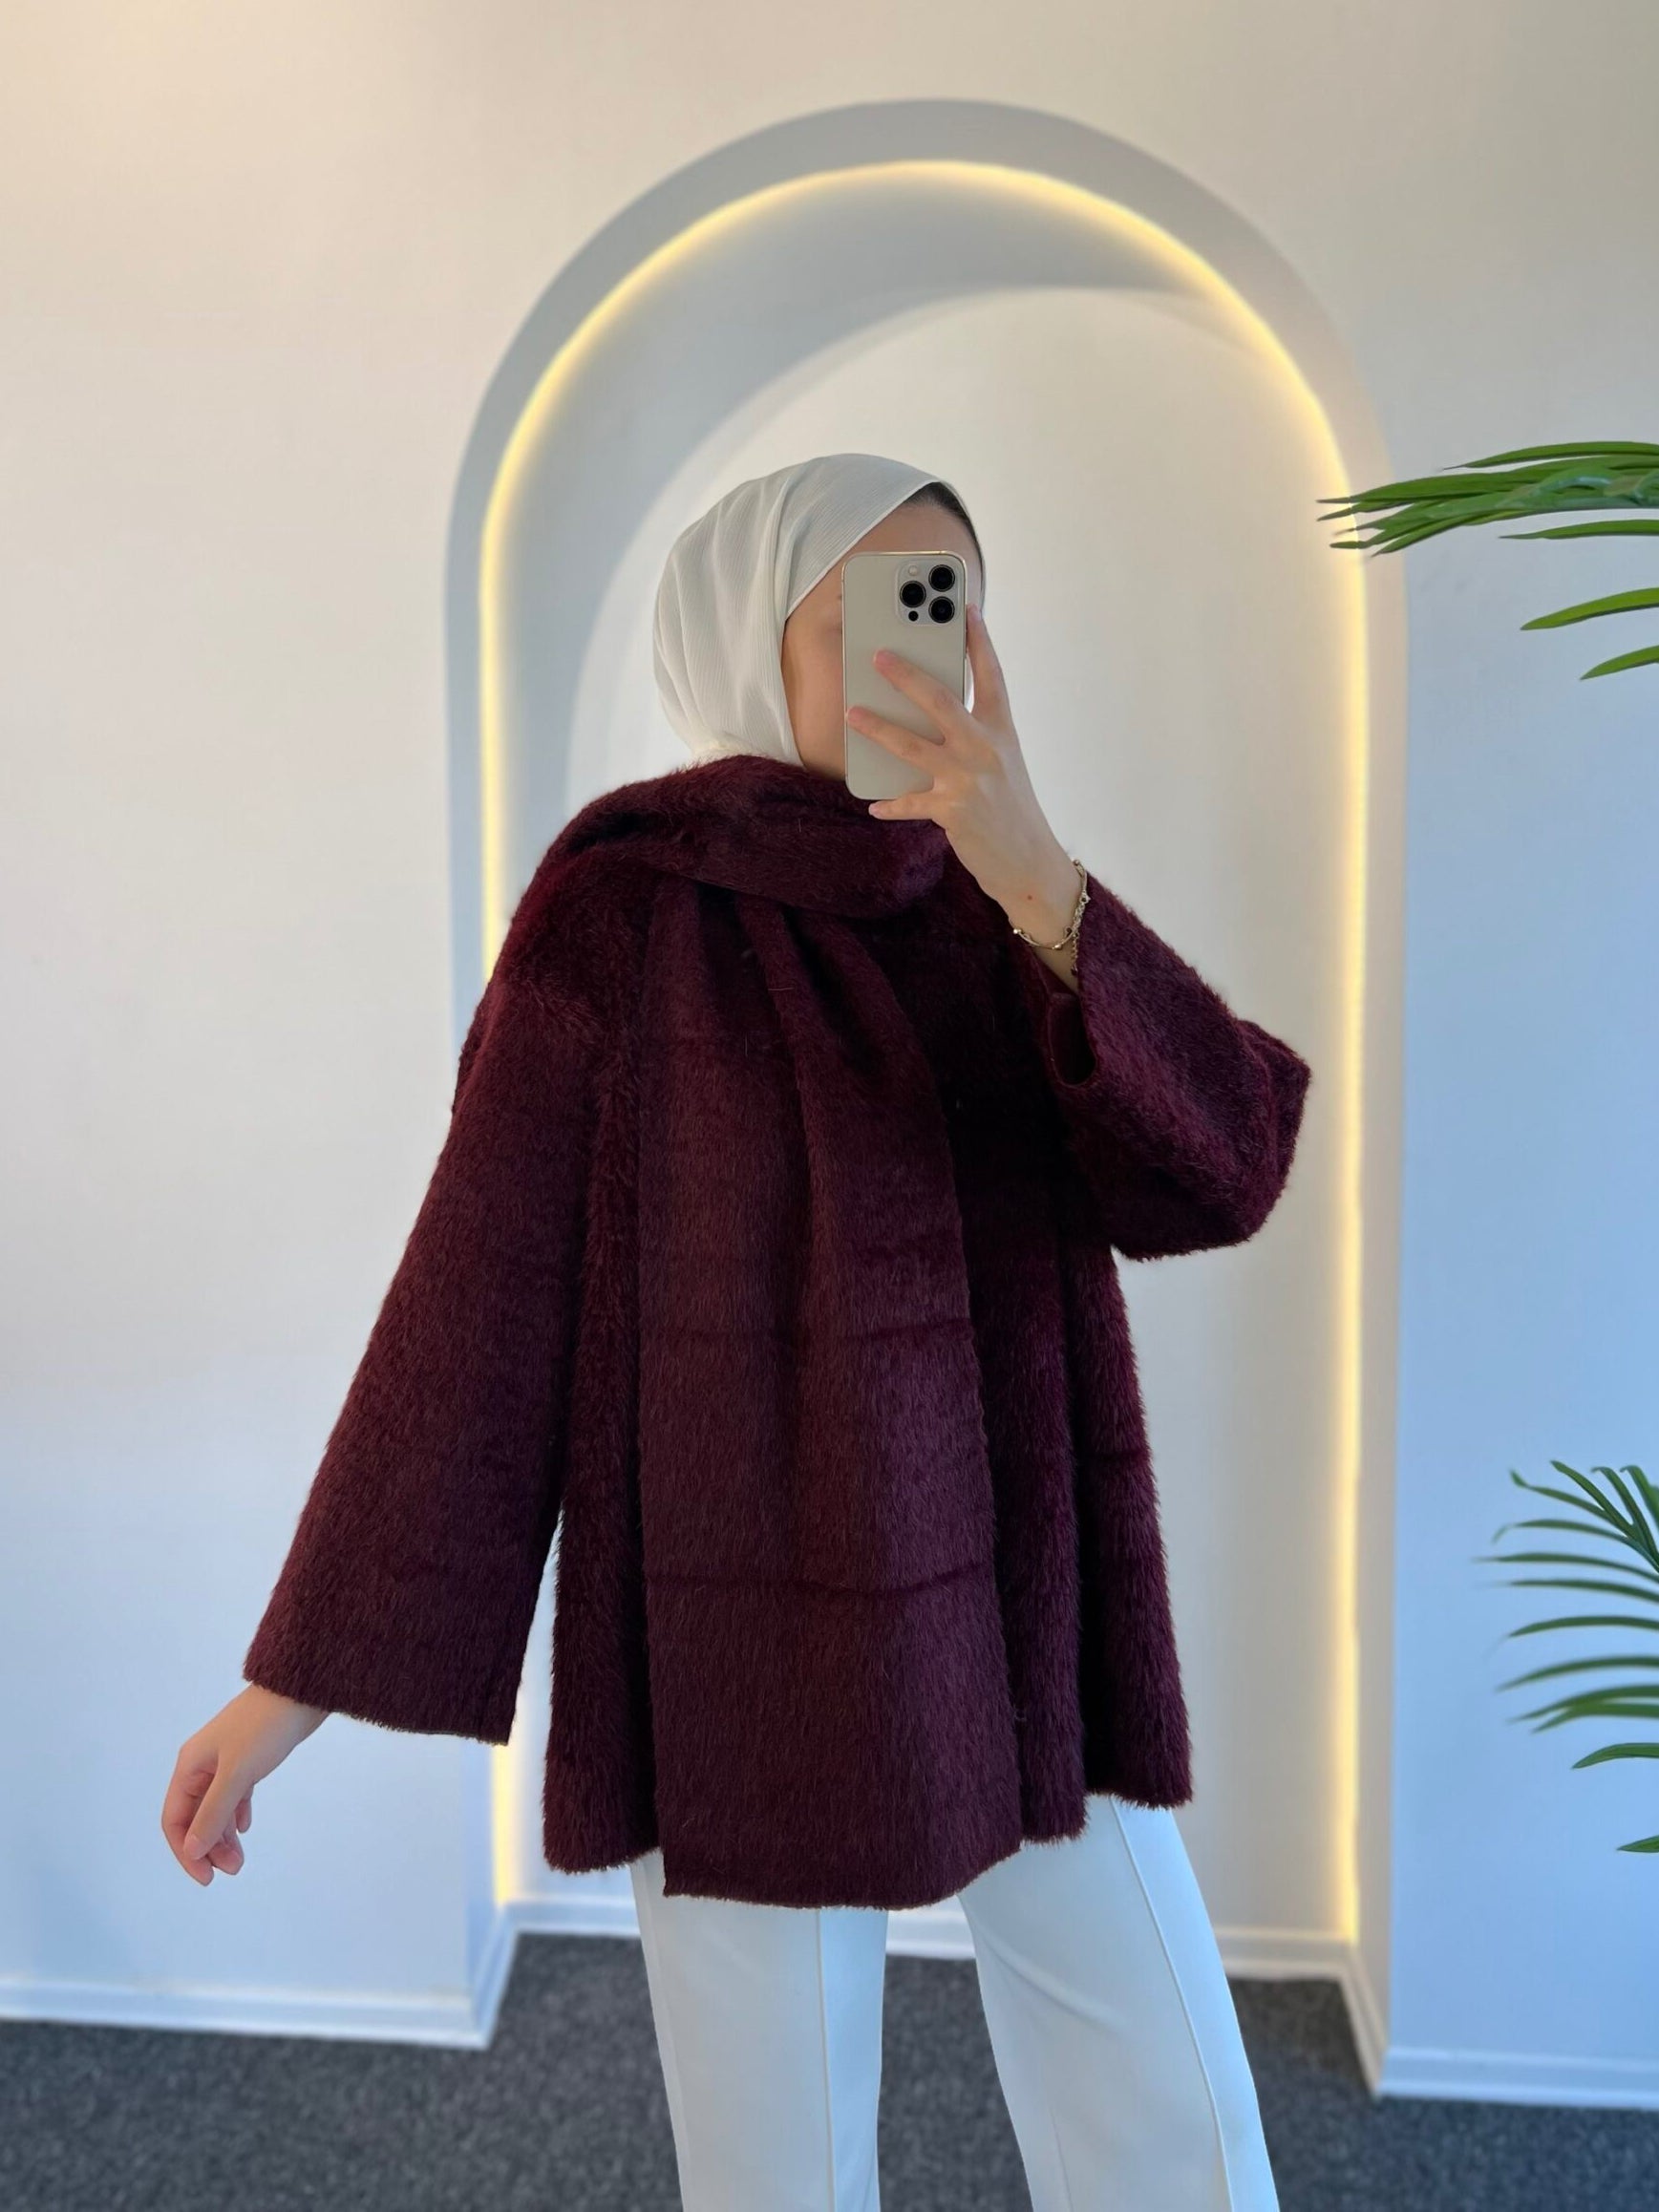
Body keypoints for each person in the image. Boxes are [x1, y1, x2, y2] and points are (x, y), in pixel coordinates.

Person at [162, 454, 1308, 2210]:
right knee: (777, 2159)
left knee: (1172, 2110)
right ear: (744, 636)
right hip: (734, 1632)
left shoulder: (996, 896)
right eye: (878, 612)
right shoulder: (622, 912)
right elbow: (481, 1297)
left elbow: (1221, 1170)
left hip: (1027, 1592)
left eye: (956, 607)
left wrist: (1046, 887)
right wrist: (293, 1684)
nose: (933, 651)